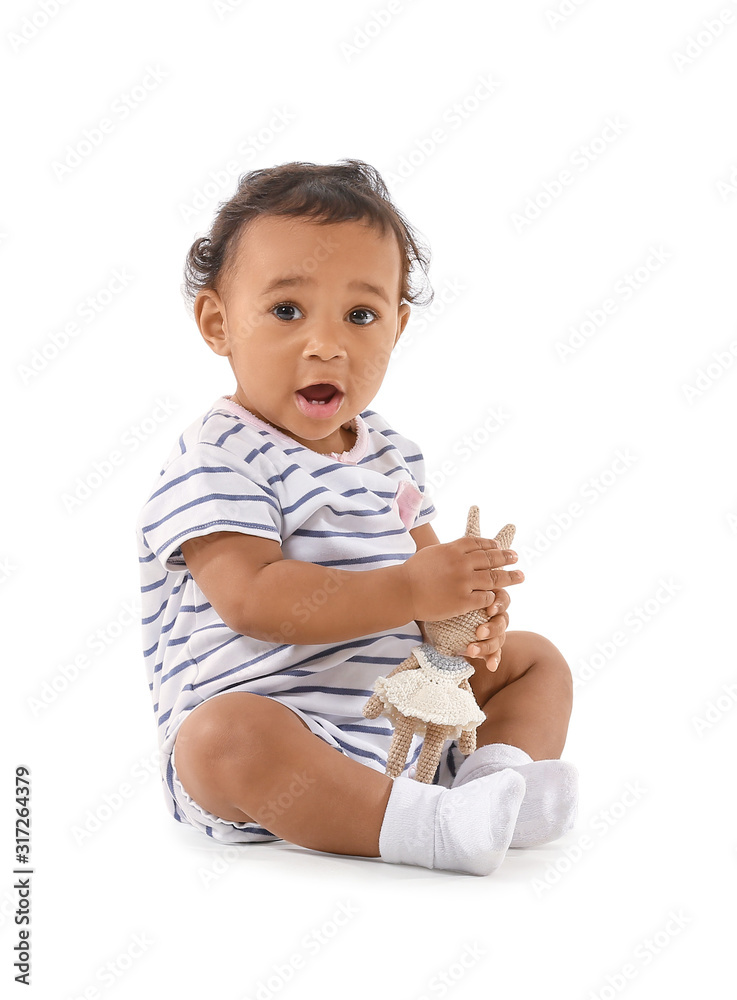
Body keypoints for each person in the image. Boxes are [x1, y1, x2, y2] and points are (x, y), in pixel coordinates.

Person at [135, 158, 577, 877]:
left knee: (533, 661)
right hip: (281, 734)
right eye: (285, 311)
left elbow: (430, 595)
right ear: (217, 323)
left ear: (397, 327)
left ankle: (493, 787)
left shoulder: (390, 456)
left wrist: (470, 617)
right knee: (220, 740)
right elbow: (253, 600)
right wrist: (409, 591)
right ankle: (428, 829)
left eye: (361, 314)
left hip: (398, 719)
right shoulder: (219, 458)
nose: (327, 344)